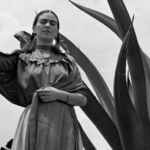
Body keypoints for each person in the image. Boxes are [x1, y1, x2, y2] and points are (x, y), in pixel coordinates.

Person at [0, 10, 87, 150]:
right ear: (34, 28)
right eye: (43, 22)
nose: (47, 25)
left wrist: (60, 95)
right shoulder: (22, 59)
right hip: (33, 120)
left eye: (52, 23)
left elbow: (83, 99)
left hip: (64, 123)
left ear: (57, 31)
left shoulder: (68, 61)